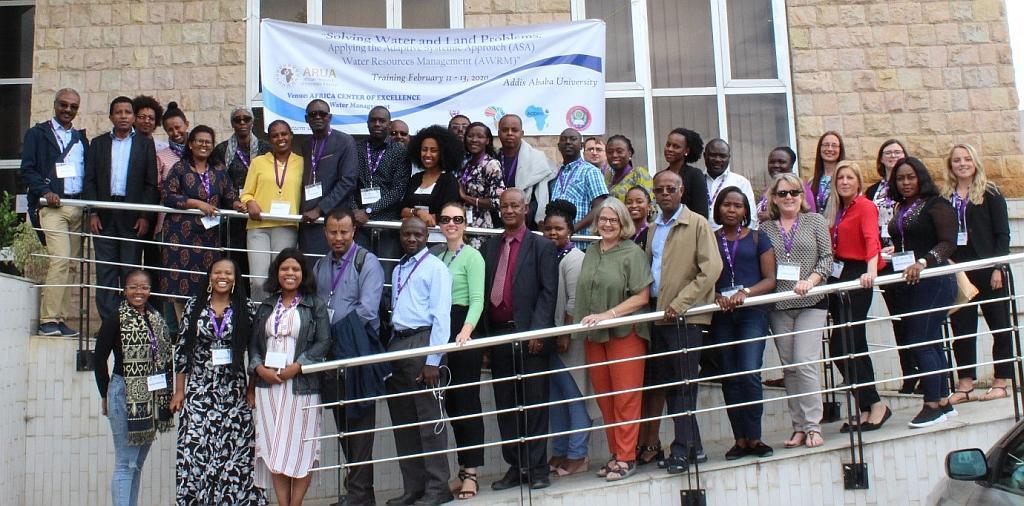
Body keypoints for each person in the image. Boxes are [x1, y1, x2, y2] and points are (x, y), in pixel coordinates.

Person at [170, 258, 265, 505]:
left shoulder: (246, 307)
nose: (223, 276)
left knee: (234, 453)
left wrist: (252, 390)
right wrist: (179, 391)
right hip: (199, 391)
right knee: (196, 450)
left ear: (235, 278)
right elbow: (182, 350)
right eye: (217, 272)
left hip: (233, 392)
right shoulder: (195, 305)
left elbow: (256, 352)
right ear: (210, 277)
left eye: (228, 273)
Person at [645, 169, 722, 473]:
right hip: (659, 315)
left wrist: (680, 303)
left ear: (681, 192)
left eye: (670, 189)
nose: (664, 194)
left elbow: (711, 269)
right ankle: (696, 447)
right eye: (659, 190)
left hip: (686, 316)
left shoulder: (697, 223)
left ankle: (681, 449)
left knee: (684, 386)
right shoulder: (653, 228)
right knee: (672, 385)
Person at [483, 188, 558, 491]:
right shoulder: (489, 246)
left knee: (535, 403)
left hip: (529, 336)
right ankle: (516, 466)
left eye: (516, 205)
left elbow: (548, 292)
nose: (510, 210)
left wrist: (538, 331)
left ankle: (538, 467)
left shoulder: (541, 246)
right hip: (499, 336)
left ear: (526, 209)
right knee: (506, 404)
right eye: (505, 206)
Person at [575, 198, 653, 481]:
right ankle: (615, 453)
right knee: (606, 399)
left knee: (625, 398)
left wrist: (610, 314)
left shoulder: (632, 252)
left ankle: (626, 456)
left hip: (625, 333)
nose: (607, 224)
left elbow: (642, 296)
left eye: (613, 220)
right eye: (603, 219)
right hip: (594, 336)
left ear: (623, 223)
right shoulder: (592, 251)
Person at [312, 208, 385, 506]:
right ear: (325, 232)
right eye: (333, 232)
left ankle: (358, 493)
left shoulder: (366, 262)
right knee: (342, 423)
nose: (338, 237)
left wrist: (331, 334)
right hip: (330, 355)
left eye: (344, 231)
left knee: (361, 425)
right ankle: (360, 494)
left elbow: (368, 310)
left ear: (353, 230)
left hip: (357, 350)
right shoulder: (319, 266)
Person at [249, 248, 330, 506]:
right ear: (277, 273)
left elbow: (323, 342)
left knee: (302, 446)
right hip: (268, 386)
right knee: (274, 447)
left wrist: (298, 366)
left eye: (295, 269)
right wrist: (260, 369)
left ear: (303, 273)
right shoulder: (266, 304)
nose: (290, 273)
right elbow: (253, 344)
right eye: (285, 268)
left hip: (301, 385)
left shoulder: (314, 304)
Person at [884, 157, 958, 427]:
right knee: (930, 340)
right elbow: (905, 240)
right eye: (900, 178)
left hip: (934, 280)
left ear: (921, 178)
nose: (905, 183)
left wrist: (923, 262)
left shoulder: (937, 205)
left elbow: (948, 243)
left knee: (920, 339)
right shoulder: (899, 207)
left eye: (910, 177)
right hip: (908, 283)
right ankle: (943, 401)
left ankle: (931, 404)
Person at [385, 218, 454, 506]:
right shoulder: (400, 267)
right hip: (398, 343)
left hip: (423, 342)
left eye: (417, 234)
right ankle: (414, 487)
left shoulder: (436, 267)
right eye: (406, 234)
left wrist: (433, 359)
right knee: (404, 422)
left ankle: (438, 488)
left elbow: (442, 316)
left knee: (429, 420)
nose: (411, 238)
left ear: (428, 236)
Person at [761, 173, 832, 449]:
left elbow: (827, 258)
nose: (789, 197)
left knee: (804, 362)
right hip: (780, 306)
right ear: (774, 199)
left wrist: (810, 281)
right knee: (789, 368)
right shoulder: (766, 229)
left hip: (811, 302)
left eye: (794, 192)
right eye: (782, 193)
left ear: (802, 196)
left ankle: (814, 425)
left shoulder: (815, 221)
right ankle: (799, 427)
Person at [93, 269, 173, 506]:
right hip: (124, 393)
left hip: (151, 397)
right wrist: (105, 393)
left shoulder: (156, 318)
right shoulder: (116, 318)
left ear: (150, 290)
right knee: (125, 463)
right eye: (133, 287)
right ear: (124, 289)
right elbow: (99, 359)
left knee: (136, 464)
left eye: (144, 287)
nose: (139, 292)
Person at [822, 162, 892, 432]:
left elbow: (871, 238)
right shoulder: (836, 209)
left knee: (850, 341)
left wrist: (871, 271)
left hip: (858, 273)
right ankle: (865, 406)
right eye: (840, 177)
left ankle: (875, 404)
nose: (844, 182)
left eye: (850, 177)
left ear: (859, 181)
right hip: (837, 275)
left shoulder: (865, 206)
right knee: (845, 346)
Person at [710, 187, 776, 460]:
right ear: (719, 208)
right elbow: (704, 276)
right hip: (722, 316)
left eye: (738, 206)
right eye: (727, 205)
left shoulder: (759, 238)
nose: (732, 210)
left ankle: (755, 437)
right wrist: (714, 295)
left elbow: (770, 279)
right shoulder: (710, 239)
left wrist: (744, 293)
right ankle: (740, 440)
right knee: (730, 377)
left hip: (752, 312)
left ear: (746, 211)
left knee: (749, 372)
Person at [943, 144, 1013, 403]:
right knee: (961, 327)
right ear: (950, 165)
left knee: (1000, 325)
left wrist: (998, 266)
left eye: (967, 159)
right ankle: (965, 384)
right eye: (957, 160)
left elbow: (1003, 233)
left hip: (989, 267)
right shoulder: (946, 195)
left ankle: (1001, 381)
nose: (962, 164)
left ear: (975, 162)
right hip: (962, 269)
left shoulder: (990, 192)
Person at [83, 96, 158, 322]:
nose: (123, 116)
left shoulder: (145, 144)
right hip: (104, 215)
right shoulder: (98, 143)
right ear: (111, 117)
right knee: (106, 272)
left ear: (133, 117)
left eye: (127, 112)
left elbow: (150, 183)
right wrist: (93, 212)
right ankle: (109, 323)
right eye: (118, 112)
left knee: (129, 271)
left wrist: (145, 215)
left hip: (132, 216)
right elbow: (90, 181)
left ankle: (129, 322)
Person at [21, 88, 88, 337]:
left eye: (73, 106)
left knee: (71, 265)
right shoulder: (37, 134)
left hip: (77, 207)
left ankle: (59, 319)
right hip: (52, 207)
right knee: (59, 259)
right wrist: (44, 190)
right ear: (55, 105)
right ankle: (47, 319)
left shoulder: (80, 139)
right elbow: (27, 169)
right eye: (63, 105)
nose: (68, 110)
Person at [433, 203, 486, 500]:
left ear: (465, 224)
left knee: (467, 401)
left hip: (463, 329)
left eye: (457, 219)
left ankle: (472, 473)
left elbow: (477, 299)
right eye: (446, 219)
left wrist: (466, 331)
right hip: (443, 331)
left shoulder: (473, 256)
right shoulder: (439, 256)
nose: (451, 224)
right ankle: (462, 468)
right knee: (451, 403)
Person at [161, 126, 243, 317]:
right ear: (190, 144)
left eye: (208, 142)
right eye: (199, 141)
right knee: (179, 284)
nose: (204, 145)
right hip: (180, 236)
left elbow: (229, 194)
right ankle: (184, 326)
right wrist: (197, 204)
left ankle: (201, 326)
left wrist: (238, 204)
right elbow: (168, 196)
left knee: (205, 283)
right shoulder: (180, 168)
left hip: (208, 237)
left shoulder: (219, 170)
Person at [542, 200, 592, 478]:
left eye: (558, 229)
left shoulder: (574, 259)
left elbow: (575, 301)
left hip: (568, 341)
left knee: (574, 397)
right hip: (551, 338)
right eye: (548, 228)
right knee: (556, 400)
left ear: (570, 231)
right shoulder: (551, 255)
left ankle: (577, 454)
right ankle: (560, 450)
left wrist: (566, 334)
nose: (552, 233)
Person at [865, 139, 917, 393]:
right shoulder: (872, 190)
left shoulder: (911, 188)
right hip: (882, 260)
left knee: (914, 316)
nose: (893, 156)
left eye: (898, 152)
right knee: (897, 318)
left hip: (906, 256)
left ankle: (925, 372)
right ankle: (909, 375)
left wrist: (898, 245)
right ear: (881, 159)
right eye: (888, 153)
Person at [240, 120, 303, 301]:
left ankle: (278, 320)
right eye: (275, 135)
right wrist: (249, 201)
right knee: (259, 281)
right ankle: (260, 321)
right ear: (269, 139)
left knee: (281, 278)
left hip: (286, 226)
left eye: (284, 134)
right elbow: (246, 194)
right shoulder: (258, 162)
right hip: (258, 226)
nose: (280, 138)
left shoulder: (301, 162)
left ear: (291, 135)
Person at [212, 107, 271, 280]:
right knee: (234, 258)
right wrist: (234, 201)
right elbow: (217, 179)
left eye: (246, 119)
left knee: (257, 260)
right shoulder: (221, 150)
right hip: (233, 214)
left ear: (253, 122)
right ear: (232, 124)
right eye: (238, 120)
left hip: (257, 211)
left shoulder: (265, 148)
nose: (242, 122)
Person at [299, 99, 359, 256]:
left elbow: (348, 182)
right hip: (308, 219)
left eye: (322, 114)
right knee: (311, 269)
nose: (318, 117)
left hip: (333, 219)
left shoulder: (345, 141)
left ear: (329, 117)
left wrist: (319, 209)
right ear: (306, 119)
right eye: (313, 114)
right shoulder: (306, 145)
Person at [355, 106, 410, 275]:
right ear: (367, 124)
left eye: (382, 120)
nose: (377, 124)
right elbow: (349, 183)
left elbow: (398, 189)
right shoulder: (357, 148)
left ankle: (386, 303)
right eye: (373, 120)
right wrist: (354, 210)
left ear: (389, 124)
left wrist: (370, 210)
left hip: (387, 223)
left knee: (386, 273)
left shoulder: (400, 151)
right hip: (360, 223)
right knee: (359, 271)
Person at [496, 114, 556, 228]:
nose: (509, 133)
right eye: (505, 130)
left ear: (522, 133)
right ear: (499, 134)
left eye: (514, 130)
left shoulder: (536, 158)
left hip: (526, 222)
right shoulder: (493, 158)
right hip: (497, 219)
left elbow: (539, 196)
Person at [401, 125, 462, 237]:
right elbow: (403, 210)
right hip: (412, 240)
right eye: (424, 149)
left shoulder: (449, 180)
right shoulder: (416, 178)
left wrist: (413, 213)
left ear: (443, 153)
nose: (427, 154)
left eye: (433, 150)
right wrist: (419, 213)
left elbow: (448, 214)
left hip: (438, 239)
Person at [550, 128, 608, 236]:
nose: (568, 142)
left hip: (581, 242)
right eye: (564, 139)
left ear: (581, 146)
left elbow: (600, 207)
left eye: (573, 139)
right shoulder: (557, 174)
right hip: (558, 243)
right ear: (558, 146)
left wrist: (572, 229)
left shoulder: (590, 171)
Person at [457, 122, 505, 241]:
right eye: (470, 136)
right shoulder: (465, 164)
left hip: (481, 228)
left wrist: (465, 197)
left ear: (487, 141)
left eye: (480, 136)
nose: (474, 140)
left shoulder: (491, 164)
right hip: (462, 225)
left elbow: (497, 202)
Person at [154, 102, 190, 237]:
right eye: (170, 129)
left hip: (197, 217)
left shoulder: (200, 152)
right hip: (169, 217)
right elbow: (157, 187)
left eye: (178, 127)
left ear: (186, 124)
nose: (175, 132)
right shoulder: (161, 156)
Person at [703, 138, 756, 230]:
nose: (718, 160)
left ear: (729, 158)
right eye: (713, 155)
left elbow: (751, 217)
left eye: (722, 156)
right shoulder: (697, 180)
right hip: (700, 238)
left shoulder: (741, 182)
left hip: (732, 240)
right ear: (705, 156)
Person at [756, 146, 814, 223]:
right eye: (772, 162)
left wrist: (772, 217)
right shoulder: (768, 189)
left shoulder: (800, 187)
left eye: (781, 162)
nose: (776, 165)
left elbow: (809, 217)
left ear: (791, 165)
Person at [662, 127, 709, 218]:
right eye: (668, 145)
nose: (670, 149)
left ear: (686, 151)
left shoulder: (695, 175)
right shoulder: (661, 176)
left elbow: (701, 214)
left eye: (676, 146)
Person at [603, 135, 652, 203]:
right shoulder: (608, 178)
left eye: (619, 151)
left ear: (630, 153)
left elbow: (649, 203)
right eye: (610, 152)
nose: (614, 155)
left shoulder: (638, 174)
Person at [809, 131, 845, 214]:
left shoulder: (846, 179)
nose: (829, 149)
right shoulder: (812, 182)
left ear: (840, 150)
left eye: (834, 145)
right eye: (826, 145)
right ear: (820, 148)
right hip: (817, 226)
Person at [625, 186, 653, 250]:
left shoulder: (653, 233)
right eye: (629, 202)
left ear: (649, 206)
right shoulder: (621, 233)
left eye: (639, 202)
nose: (634, 205)